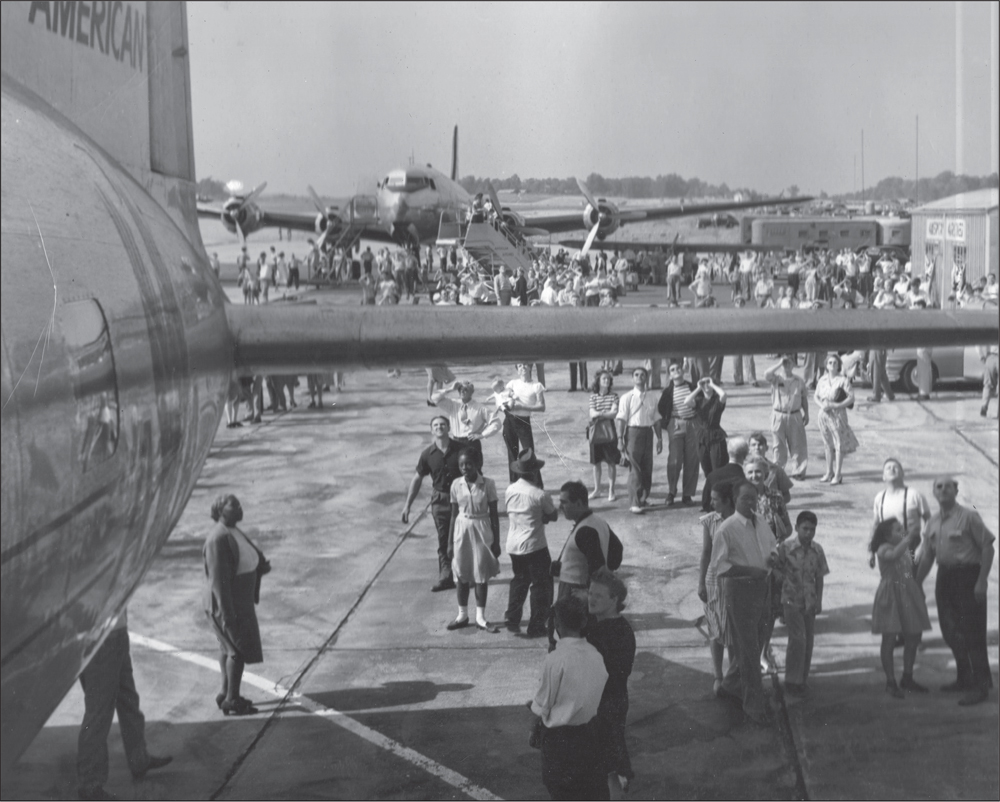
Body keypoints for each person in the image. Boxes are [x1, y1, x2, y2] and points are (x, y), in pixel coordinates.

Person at [76, 610, 173, 800]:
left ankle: (139, 760)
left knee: (128, 700)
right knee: (99, 714)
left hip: (115, 633)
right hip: (100, 638)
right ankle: (90, 784)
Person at [916, 476, 996, 706]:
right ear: (933, 492)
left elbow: (987, 547)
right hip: (945, 578)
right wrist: (916, 583)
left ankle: (981, 687)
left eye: (948, 486)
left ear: (956, 490)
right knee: (950, 631)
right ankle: (964, 678)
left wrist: (982, 581)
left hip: (968, 576)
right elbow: (928, 556)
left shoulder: (968, 516)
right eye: (938, 487)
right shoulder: (931, 522)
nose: (943, 490)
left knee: (973, 634)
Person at [710, 481, 777, 726]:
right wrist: (750, 571)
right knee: (748, 650)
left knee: (756, 642)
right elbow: (720, 566)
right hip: (741, 591)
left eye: (754, 498)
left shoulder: (760, 521)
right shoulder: (726, 529)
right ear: (734, 500)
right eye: (745, 498)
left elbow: (771, 546)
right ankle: (754, 707)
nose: (750, 502)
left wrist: (774, 560)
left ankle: (729, 686)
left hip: (764, 587)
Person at [529, 595, 609, 801]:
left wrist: (534, 719)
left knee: (563, 792)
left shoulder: (555, 660)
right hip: (589, 736)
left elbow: (542, 705)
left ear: (556, 624)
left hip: (560, 742)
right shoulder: (596, 655)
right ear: (583, 622)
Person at [203, 494, 266, 717]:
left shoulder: (232, 531)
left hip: (240, 601)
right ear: (220, 510)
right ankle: (232, 699)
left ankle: (225, 692)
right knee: (236, 651)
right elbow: (218, 581)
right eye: (233, 505)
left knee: (228, 648)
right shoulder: (217, 539)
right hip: (228, 604)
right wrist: (227, 614)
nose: (239, 508)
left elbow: (247, 555)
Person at [402, 416, 469, 592]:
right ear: (432, 430)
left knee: (462, 538)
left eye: (442, 425)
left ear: (448, 428)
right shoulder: (427, 454)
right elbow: (417, 479)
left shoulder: (461, 450)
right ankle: (445, 576)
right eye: (436, 426)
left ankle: (464, 575)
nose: (439, 428)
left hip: (462, 500)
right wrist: (407, 505)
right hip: (440, 501)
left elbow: (475, 474)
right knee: (443, 539)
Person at [586, 568, 636, 797]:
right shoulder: (598, 625)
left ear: (615, 600)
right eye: (590, 593)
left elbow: (614, 674)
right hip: (605, 702)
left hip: (607, 704)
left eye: (598, 595)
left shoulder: (618, 632)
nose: (591, 599)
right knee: (606, 763)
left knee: (607, 767)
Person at [869, 518, 930, 698]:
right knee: (889, 637)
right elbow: (893, 555)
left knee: (914, 635)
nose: (902, 531)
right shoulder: (883, 548)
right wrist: (909, 538)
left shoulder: (902, 549)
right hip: (890, 594)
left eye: (902, 528)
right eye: (898, 529)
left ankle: (907, 677)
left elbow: (909, 567)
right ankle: (890, 681)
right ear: (887, 535)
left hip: (907, 592)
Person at [445, 450, 502, 633]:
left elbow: (494, 515)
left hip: (482, 528)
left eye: (468, 464)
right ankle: (462, 614)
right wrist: (449, 543)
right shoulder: (456, 484)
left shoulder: (488, 484)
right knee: (461, 573)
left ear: (477, 464)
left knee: (481, 574)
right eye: (461, 465)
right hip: (462, 530)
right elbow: (453, 515)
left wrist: (497, 541)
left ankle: (480, 617)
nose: (465, 468)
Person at [504, 449, 558, 636]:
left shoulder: (510, 490)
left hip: (513, 543)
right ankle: (536, 624)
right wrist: (542, 516)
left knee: (519, 579)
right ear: (535, 471)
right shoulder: (539, 495)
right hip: (534, 545)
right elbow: (553, 515)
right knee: (541, 585)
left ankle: (512, 616)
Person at [777, 511, 828, 697]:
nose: (808, 533)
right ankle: (792, 680)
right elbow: (776, 572)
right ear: (797, 527)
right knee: (797, 639)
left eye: (812, 530)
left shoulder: (818, 550)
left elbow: (820, 577)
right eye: (805, 529)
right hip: (790, 600)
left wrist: (819, 600)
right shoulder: (786, 547)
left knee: (808, 641)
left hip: (810, 601)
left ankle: (802, 679)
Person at [698, 481, 737, 695]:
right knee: (714, 630)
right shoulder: (709, 522)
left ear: (727, 500)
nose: (710, 502)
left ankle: (732, 677)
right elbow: (705, 553)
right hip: (713, 582)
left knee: (732, 631)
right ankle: (718, 676)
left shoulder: (740, 521)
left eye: (714, 499)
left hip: (734, 581)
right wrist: (700, 582)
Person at [615, 367, 662, 514]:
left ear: (646, 378)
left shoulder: (652, 397)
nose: (639, 377)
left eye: (642, 375)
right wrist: (620, 439)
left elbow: (656, 419)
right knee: (635, 469)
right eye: (636, 375)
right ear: (632, 379)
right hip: (633, 433)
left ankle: (642, 499)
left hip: (648, 433)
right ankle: (634, 503)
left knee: (647, 468)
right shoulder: (626, 397)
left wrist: (659, 438)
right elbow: (621, 419)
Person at [658, 361, 700, 506]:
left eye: (678, 368)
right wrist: (669, 422)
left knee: (692, 460)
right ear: (669, 375)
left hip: (693, 424)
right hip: (676, 424)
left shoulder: (692, 387)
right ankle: (671, 492)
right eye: (672, 369)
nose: (676, 371)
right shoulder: (668, 391)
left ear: (683, 371)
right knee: (675, 460)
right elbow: (661, 408)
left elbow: (701, 403)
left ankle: (687, 494)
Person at [872, 458, 931, 560]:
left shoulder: (914, 495)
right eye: (888, 468)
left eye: (895, 467)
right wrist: (871, 551)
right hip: (887, 546)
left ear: (903, 473)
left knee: (910, 576)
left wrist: (922, 546)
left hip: (912, 546)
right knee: (889, 576)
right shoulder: (879, 498)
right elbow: (876, 525)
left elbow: (929, 521)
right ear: (883, 477)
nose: (891, 469)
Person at [814, 354, 858, 485]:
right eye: (830, 363)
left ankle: (838, 474)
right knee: (827, 444)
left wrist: (837, 405)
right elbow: (816, 396)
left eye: (835, 363)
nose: (832, 365)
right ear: (826, 365)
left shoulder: (843, 380)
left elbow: (851, 397)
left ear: (839, 365)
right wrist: (822, 405)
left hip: (838, 414)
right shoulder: (822, 380)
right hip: (823, 414)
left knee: (838, 444)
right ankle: (829, 471)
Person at [764, 356, 809, 479]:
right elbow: (767, 374)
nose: (787, 365)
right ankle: (778, 471)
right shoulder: (776, 379)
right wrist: (779, 363)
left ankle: (798, 471)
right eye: (785, 363)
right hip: (779, 414)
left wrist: (807, 413)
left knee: (798, 445)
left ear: (794, 365)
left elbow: (804, 398)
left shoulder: (799, 381)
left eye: (790, 363)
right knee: (778, 445)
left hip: (795, 415)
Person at [502, 363, 547, 483]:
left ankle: (537, 483)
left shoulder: (536, 386)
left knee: (529, 453)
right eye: (520, 366)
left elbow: (542, 407)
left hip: (523, 422)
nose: (523, 368)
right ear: (517, 369)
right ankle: (514, 483)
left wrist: (523, 406)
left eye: (526, 365)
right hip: (509, 420)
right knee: (512, 454)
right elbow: (504, 397)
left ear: (531, 367)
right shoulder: (512, 383)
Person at [588, 370, 621, 501]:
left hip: (610, 431)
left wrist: (600, 414)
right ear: (598, 381)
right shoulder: (593, 397)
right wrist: (604, 413)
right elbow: (591, 413)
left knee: (611, 462)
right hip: (596, 431)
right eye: (604, 379)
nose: (606, 381)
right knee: (596, 463)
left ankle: (611, 490)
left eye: (608, 379)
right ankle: (597, 489)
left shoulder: (614, 396)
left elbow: (614, 413)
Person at [693, 375, 728, 479]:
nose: (706, 385)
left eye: (708, 382)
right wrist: (698, 387)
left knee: (718, 467)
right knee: (705, 467)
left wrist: (712, 384)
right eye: (703, 383)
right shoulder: (698, 400)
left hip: (716, 435)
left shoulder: (718, 400)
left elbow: (724, 395)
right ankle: (710, 490)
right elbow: (686, 401)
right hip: (701, 436)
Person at [701, 436, 748, 512]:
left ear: (728, 451)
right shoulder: (745, 476)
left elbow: (705, 503)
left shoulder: (713, 475)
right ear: (745, 455)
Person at [979, 343, 999, 418]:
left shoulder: (992, 331)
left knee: (987, 385)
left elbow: (979, 345)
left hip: (991, 357)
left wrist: (981, 356)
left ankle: (984, 405)